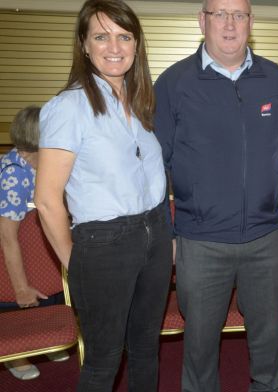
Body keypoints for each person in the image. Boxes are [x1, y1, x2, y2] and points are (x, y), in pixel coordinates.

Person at [153, 0, 278, 390]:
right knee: (199, 345)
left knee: (268, 340)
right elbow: (152, 167)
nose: (230, 24)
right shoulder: (173, 84)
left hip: (267, 239)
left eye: (239, 15)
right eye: (220, 14)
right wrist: (168, 233)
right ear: (203, 21)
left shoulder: (276, 80)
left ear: (251, 22)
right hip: (200, 243)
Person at [35, 0, 171, 390]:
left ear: (136, 44)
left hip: (155, 234)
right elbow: (47, 200)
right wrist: (76, 263)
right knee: (104, 360)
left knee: (146, 348)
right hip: (104, 244)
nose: (114, 46)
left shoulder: (140, 103)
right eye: (101, 36)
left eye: (124, 36)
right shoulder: (69, 107)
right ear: (84, 44)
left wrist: (162, 236)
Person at [0, 106, 70, 380]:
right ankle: (16, 355)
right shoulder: (14, 175)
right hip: (11, 253)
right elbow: (7, 238)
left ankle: (46, 340)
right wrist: (19, 287)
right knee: (19, 302)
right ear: (32, 148)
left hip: (38, 247)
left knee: (49, 289)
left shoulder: (43, 163)